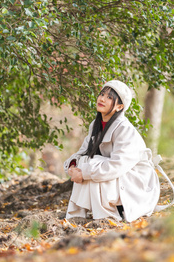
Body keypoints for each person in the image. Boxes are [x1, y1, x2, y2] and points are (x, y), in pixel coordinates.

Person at [64, 79, 163, 222]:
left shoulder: (125, 129)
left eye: (109, 97)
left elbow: (117, 166)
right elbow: (83, 152)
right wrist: (73, 167)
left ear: (119, 107)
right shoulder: (96, 125)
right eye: (102, 94)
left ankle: (107, 215)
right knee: (87, 161)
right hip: (116, 175)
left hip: (136, 182)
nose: (102, 99)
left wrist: (84, 172)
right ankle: (76, 216)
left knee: (93, 164)